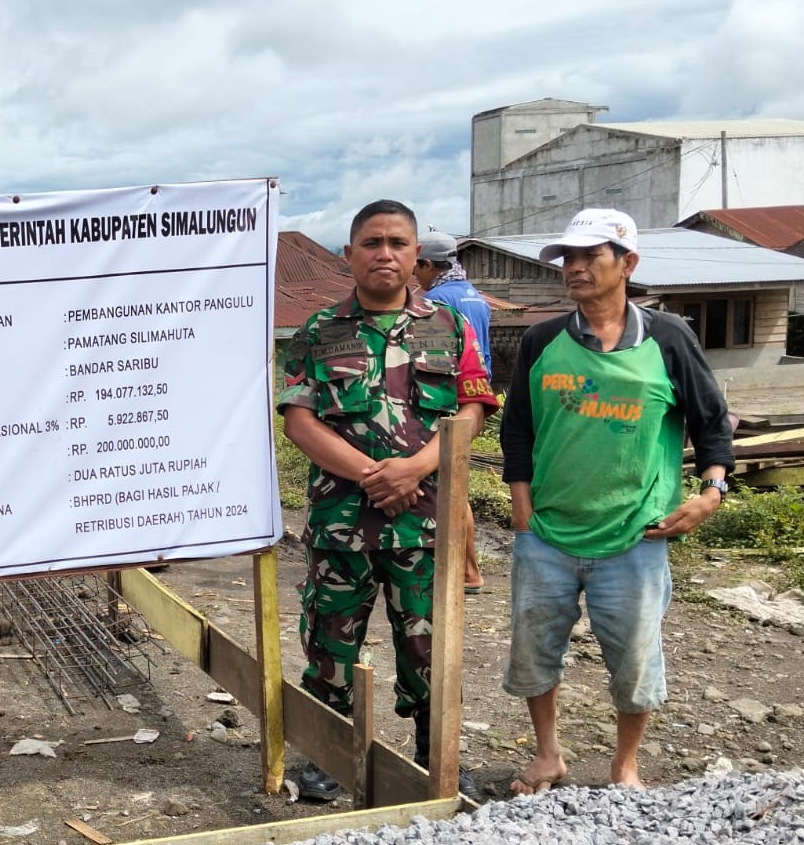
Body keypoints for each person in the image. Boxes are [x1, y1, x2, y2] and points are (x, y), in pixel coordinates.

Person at [501, 208, 732, 793]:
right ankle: (548, 754)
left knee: (633, 660)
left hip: (635, 536)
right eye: (568, 259)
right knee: (534, 652)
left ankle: (625, 763)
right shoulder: (541, 339)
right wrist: (523, 513)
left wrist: (711, 492)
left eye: (590, 257)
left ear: (627, 263)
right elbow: (518, 430)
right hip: (548, 534)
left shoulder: (669, 337)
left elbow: (711, 423)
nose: (574, 268)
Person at [277, 199, 497, 802]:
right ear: (349, 256)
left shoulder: (448, 327)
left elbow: (473, 407)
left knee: (430, 643)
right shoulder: (319, 331)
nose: (385, 254)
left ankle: (435, 756)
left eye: (397, 243)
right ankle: (325, 755)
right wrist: (377, 475)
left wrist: (417, 469)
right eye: (371, 243)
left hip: (425, 523)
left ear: (415, 256)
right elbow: (300, 420)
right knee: (330, 640)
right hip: (341, 522)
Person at [414, 229, 493, 593]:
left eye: (418, 267)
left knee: (447, 490)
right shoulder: (475, 297)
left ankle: (466, 571)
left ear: (428, 264)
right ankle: (466, 569)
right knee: (454, 486)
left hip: (443, 399)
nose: (416, 275)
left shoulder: (438, 302)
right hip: (474, 400)